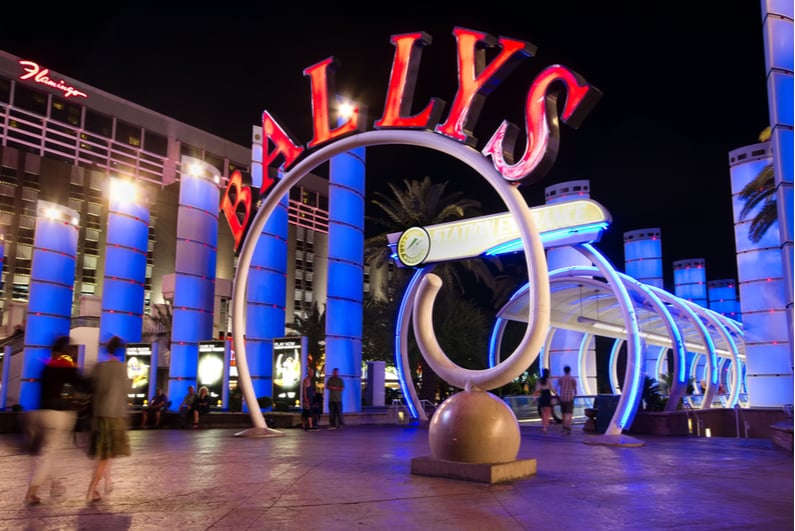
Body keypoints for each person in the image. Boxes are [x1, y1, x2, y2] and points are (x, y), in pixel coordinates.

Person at [24, 336, 88, 506]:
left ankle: (55, 483)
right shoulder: (65, 366)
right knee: (49, 453)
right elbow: (82, 383)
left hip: (41, 413)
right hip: (58, 415)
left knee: (49, 452)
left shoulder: (46, 367)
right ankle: (32, 492)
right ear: (66, 350)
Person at [86, 335, 131, 503]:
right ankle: (91, 490)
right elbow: (125, 390)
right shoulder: (121, 368)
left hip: (98, 415)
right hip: (114, 416)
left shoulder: (99, 367)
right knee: (105, 457)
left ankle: (105, 482)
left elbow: (92, 388)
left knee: (104, 455)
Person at [556, 365, 578, 434]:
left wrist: (557, 395)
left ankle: (564, 427)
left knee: (563, 413)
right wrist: (575, 394)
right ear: (569, 371)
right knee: (569, 413)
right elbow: (575, 389)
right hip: (570, 398)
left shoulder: (561, 378)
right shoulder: (572, 379)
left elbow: (556, 387)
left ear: (564, 371)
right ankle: (568, 427)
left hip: (562, 398)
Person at [535, 368, 553, 433]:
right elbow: (552, 389)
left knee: (543, 413)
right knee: (547, 413)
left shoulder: (539, 380)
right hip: (548, 396)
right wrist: (557, 394)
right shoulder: (548, 380)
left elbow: (537, 390)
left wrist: (534, 398)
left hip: (542, 396)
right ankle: (545, 427)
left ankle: (544, 427)